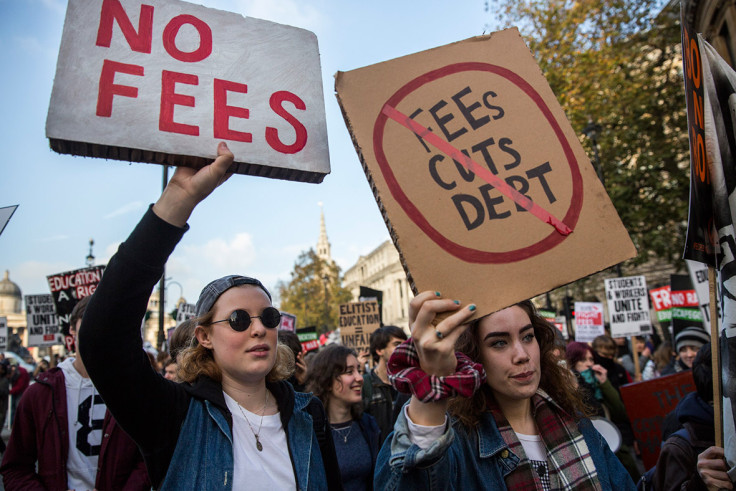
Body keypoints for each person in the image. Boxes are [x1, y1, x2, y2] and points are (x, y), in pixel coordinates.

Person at [77, 142, 341, 490]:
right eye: (239, 320)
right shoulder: (175, 415)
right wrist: (178, 200)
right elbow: (103, 338)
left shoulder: (309, 414)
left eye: (269, 317)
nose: (259, 329)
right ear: (204, 336)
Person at [375, 293, 635, 490]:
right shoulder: (457, 446)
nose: (522, 355)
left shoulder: (576, 422)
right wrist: (432, 385)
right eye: (499, 343)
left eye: (527, 337)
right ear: (473, 355)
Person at [0, 295, 150, 490]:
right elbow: (15, 468)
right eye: (91, 320)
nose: (100, 329)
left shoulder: (136, 393)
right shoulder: (40, 394)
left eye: (109, 321)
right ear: (72, 329)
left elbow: (148, 461)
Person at [306, 345, 379, 491]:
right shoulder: (309, 433)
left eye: (358, 370)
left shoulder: (368, 425)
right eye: (349, 372)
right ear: (327, 381)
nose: (359, 378)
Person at [567, 341, 641, 482]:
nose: (589, 364)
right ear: (573, 362)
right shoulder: (572, 388)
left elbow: (620, 412)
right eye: (583, 360)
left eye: (591, 359)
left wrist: (605, 383)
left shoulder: (599, 385)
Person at [651, 344, 718, 490]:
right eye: (683, 349)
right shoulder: (679, 445)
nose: (689, 354)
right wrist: (700, 484)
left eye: (694, 348)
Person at [362, 325, 408, 445]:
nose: (404, 348)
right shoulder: (364, 385)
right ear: (379, 350)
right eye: (397, 344)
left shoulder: (409, 384)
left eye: (405, 343)